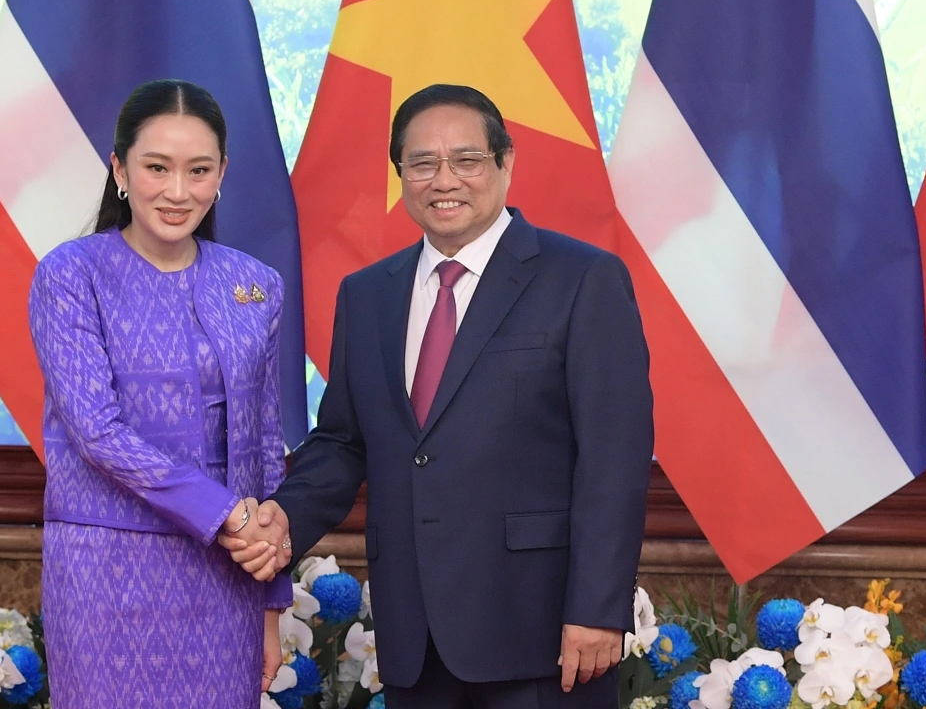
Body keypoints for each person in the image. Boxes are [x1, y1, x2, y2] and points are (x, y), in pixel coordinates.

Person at [221, 84, 654, 708]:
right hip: (414, 637)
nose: (444, 180)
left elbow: (614, 457)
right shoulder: (367, 294)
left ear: (505, 163)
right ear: (401, 174)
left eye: (467, 160)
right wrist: (284, 519)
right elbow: (343, 442)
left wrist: (596, 608)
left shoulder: (582, 279)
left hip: (543, 635)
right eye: (422, 163)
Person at [28, 79, 292, 708]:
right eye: (157, 167)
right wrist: (225, 515)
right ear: (120, 170)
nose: (178, 191)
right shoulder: (70, 274)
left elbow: (265, 446)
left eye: (198, 170)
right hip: (106, 573)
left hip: (229, 579)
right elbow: (96, 432)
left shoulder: (255, 284)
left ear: (222, 173)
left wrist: (272, 603)